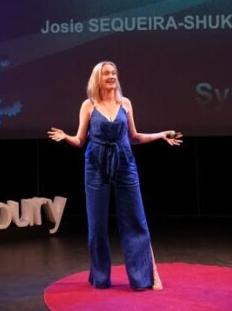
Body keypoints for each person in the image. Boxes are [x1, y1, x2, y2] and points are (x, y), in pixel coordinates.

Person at [48, 60, 182, 291]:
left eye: (113, 73)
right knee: (97, 224)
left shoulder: (125, 103)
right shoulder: (88, 105)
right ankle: (100, 278)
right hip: (96, 165)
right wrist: (66, 137)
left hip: (125, 163)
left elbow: (134, 137)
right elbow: (80, 140)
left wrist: (161, 135)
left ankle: (142, 278)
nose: (111, 76)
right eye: (106, 73)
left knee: (135, 219)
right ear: (97, 79)